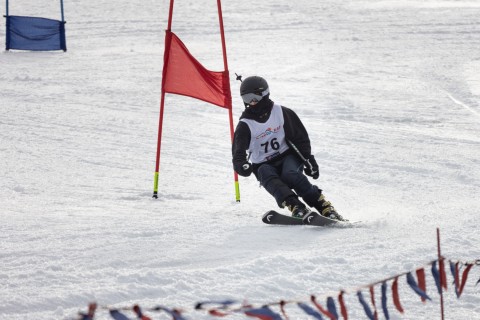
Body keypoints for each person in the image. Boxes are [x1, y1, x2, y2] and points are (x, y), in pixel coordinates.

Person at [232, 75, 345, 221]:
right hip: (262, 163)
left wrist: (309, 160)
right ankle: (296, 206)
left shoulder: (281, 112)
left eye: (255, 97)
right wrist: (242, 166)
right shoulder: (245, 124)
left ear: (265, 94)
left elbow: (300, 138)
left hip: (287, 155)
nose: (252, 102)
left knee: (290, 173)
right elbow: (238, 153)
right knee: (265, 173)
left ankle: (324, 207)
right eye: (247, 98)